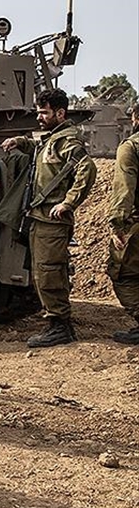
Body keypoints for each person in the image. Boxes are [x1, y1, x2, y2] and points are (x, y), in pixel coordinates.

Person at [0, 88, 97, 347]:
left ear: (60, 113)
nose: (39, 117)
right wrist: (20, 141)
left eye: (44, 112)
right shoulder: (52, 139)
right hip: (41, 218)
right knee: (42, 273)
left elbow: (86, 169)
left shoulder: (67, 141)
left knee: (50, 272)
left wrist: (68, 202)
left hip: (52, 219)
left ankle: (60, 326)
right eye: (39, 111)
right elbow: (42, 153)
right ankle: (56, 322)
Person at [108, 105, 139, 343]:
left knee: (124, 275)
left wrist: (118, 223)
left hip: (136, 225)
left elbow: (124, 188)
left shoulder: (130, 147)